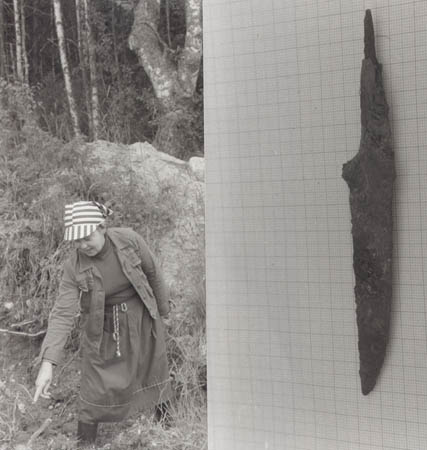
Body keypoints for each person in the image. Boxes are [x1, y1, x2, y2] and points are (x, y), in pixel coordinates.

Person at [33, 200, 174, 446]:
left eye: (87, 238)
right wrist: (48, 363)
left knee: (154, 368)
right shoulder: (74, 267)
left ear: (102, 227)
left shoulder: (129, 240)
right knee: (95, 383)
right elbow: (63, 313)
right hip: (103, 327)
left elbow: (153, 272)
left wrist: (164, 312)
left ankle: (167, 430)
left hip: (140, 318)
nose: (82, 245)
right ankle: (85, 442)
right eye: (77, 241)